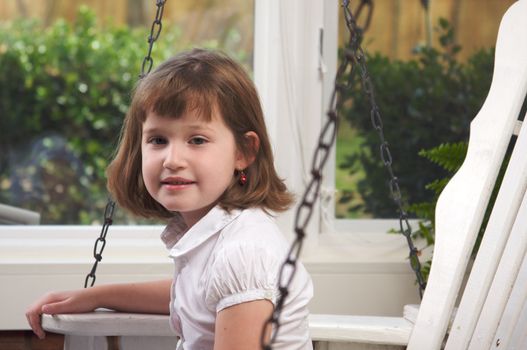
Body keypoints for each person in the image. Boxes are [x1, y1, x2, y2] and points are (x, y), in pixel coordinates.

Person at [26, 48, 313, 350]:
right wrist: (97, 296)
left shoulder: (244, 252)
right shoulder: (216, 238)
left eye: (197, 140)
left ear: (243, 152)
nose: (172, 160)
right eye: (158, 140)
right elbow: (197, 294)